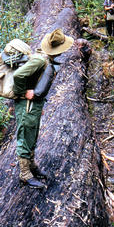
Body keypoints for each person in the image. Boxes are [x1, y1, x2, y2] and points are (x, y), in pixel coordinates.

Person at [13, 29, 74, 189]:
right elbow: (18, 76)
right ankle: (25, 174)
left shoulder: (47, 59)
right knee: (26, 136)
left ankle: (32, 166)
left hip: (34, 105)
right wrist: (22, 93)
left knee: (33, 134)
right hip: (27, 105)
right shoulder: (40, 60)